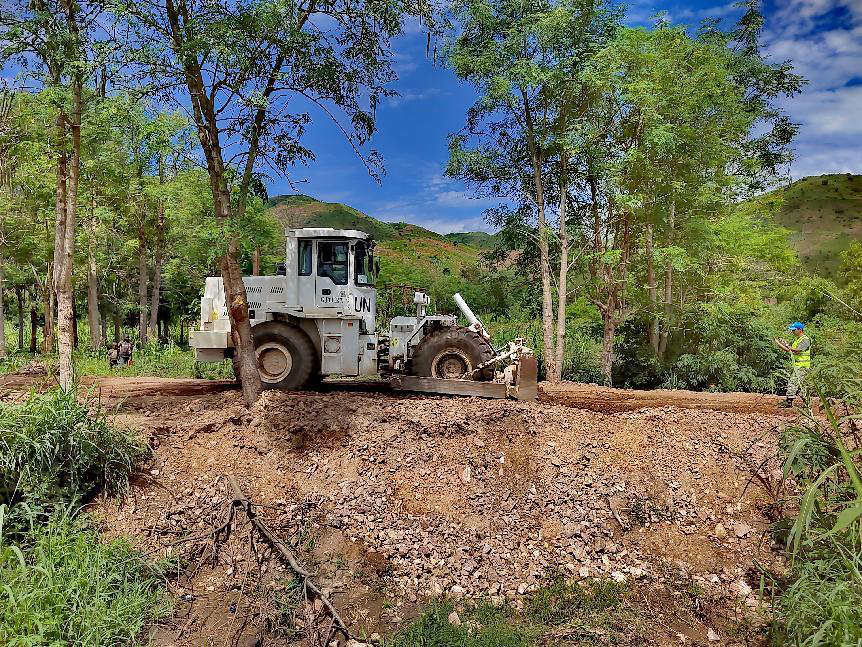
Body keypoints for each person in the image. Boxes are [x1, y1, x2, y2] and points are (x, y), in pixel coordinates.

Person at [775, 322, 811, 408]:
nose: (793, 332)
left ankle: (789, 402)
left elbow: (798, 350)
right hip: (798, 366)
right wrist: (780, 344)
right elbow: (789, 350)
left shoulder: (805, 340)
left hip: (802, 366)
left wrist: (787, 346)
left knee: (793, 382)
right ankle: (806, 403)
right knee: (801, 385)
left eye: (794, 330)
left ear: (800, 329)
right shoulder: (797, 340)